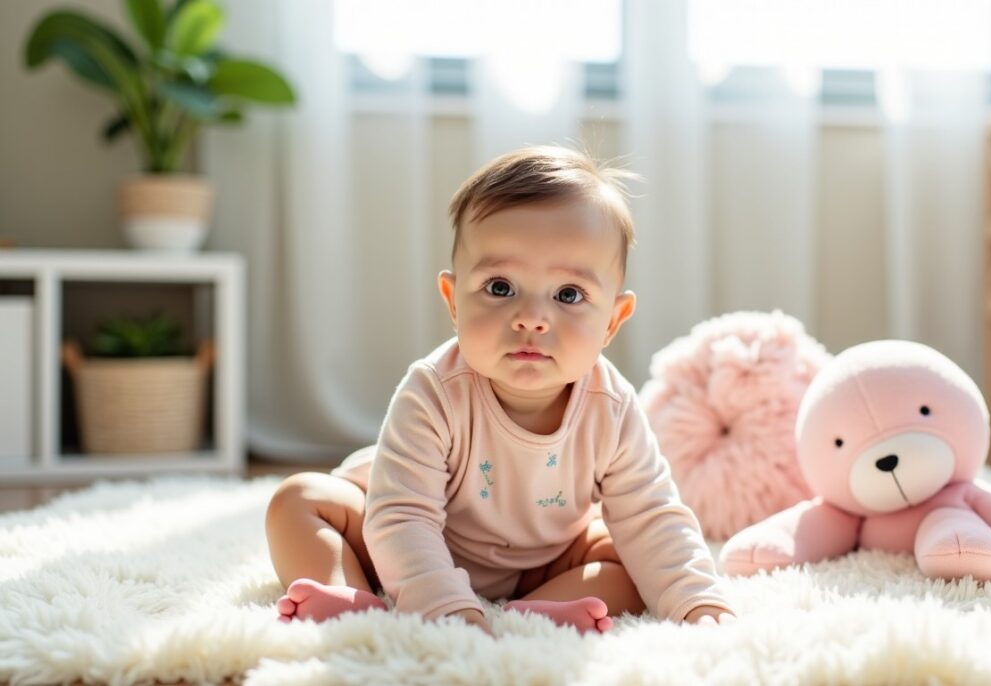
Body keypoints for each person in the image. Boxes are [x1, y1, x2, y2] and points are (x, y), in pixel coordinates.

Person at [265, 146, 734, 634]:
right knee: (298, 501)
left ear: (612, 321)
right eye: (501, 288)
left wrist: (698, 601)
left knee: (632, 557)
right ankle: (350, 597)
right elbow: (401, 518)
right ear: (453, 301)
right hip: (402, 537)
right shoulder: (433, 390)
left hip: (542, 562)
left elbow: (652, 515)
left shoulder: (610, 407)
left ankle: (529, 615)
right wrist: (444, 607)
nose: (531, 317)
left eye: (568, 295)